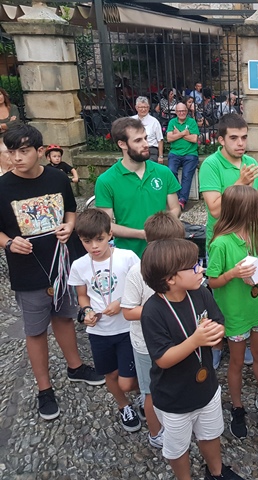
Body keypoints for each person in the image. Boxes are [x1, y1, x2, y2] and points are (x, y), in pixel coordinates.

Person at [0, 124, 104, 420]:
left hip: (62, 264)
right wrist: (9, 242)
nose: (17, 158)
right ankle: (44, 388)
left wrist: (70, 226)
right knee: (35, 331)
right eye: (11, 152)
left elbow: (70, 209)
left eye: (23, 151)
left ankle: (75, 367)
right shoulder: (2, 187)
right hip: (27, 271)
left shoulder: (57, 177)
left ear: (40, 151)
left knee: (64, 317)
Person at [140, 239, 244, 480]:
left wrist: (217, 333)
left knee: (210, 434)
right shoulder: (153, 311)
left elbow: (219, 323)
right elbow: (163, 359)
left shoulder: (200, 293)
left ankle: (216, 472)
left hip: (207, 389)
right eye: (194, 266)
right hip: (173, 398)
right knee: (178, 449)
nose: (201, 269)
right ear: (170, 279)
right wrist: (196, 340)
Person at [206, 185, 258, 439]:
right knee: (235, 362)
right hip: (234, 314)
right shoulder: (220, 243)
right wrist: (233, 274)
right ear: (242, 210)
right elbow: (212, 281)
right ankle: (237, 407)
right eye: (255, 207)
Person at [69, 209, 141, 432]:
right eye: (87, 241)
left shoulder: (127, 257)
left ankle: (144, 394)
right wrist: (87, 311)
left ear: (110, 234)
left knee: (129, 378)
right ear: (80, 240)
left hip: (127, 328)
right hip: (99, 331)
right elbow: (82, 295)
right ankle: (123, 405)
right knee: (110, 373)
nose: (94, 246)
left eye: (99, 239)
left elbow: (141, 289)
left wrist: (121, 302)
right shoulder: (79, 265)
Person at [121, 212, 186, 448]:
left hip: (174, 341)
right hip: (145, 344)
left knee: (172, 384)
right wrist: (160, 311)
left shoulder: (179, 269)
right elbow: (128, 311)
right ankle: (155, 432)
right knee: (150, 392)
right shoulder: (137, 272)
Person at [94, 117, 181, 258]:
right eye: (138, 140)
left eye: (145, 138)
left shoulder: (163, 172)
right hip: (127, 255)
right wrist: (142, 234)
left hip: (162, 252)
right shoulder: (106, 180)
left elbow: (175, 208)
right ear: (122, 144)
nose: (146, 144)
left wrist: (162, 228)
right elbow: (106, 225)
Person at [199, 113, 258, 246]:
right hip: (223, 245)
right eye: (233, 138)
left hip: (251, 240)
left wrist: (251, 191)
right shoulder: (211, 165)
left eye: (244, 137)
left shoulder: (251, 162)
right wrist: (241, 183)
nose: (240, 143)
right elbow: (215, 211)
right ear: (221, 140)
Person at [167, 102, 200, 210]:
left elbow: (194, 139)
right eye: (179, 111)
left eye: (183, 111)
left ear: (186, 111)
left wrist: (177, 134)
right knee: (171, 171)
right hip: (175, 153)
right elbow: (169, 138)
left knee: (186, 175)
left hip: (190, 154)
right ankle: (177, 197)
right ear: (176, 112)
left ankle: (182, 200)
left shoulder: (192, 122)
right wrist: (184, 133)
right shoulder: (172, 122)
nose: (181, 113)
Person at [131, 96, 164, 163]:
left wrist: (160, 156)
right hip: (136, 149)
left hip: (150, 149)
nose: (143, 109)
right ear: (136, 107)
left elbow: (160, 140)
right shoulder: (131, 120)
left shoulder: (154, 121)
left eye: (145, 107)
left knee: (148, 164)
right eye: (141, 107)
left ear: (148, 108)